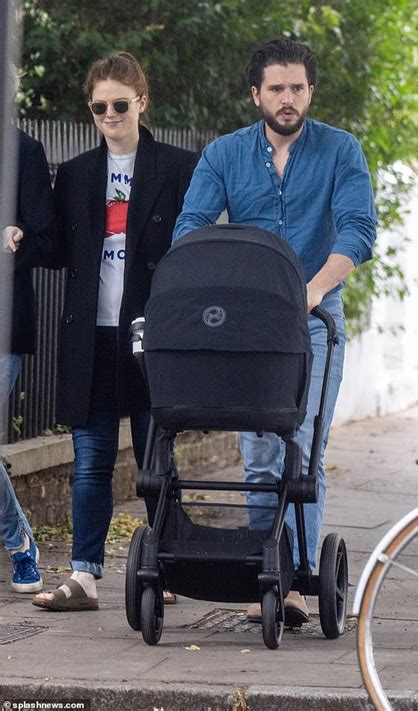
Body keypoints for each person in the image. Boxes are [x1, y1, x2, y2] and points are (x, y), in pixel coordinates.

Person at [173, 38, 377, 624]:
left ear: (310, 90)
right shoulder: (224, 155)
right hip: (247, 325)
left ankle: (297, 579)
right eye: (276, 88)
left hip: (314, 322)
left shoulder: (341, 150)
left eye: (298, 87)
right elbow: (190, 227)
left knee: (301, 448)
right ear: (256, 94)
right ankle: (275, 569)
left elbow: (358, 230)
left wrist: (312, 290)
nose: (288, 99)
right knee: (260, 457)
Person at [33, 52, 197, 611]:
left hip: (154, 336)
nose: (109, 114)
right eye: (99, 106)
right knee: (90, 461)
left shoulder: (178, 167)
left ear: (141, 102)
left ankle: (167, 567)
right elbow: (56, 249)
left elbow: (194, 248)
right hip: (90, 337)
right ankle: (84, 575)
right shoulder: (77, 173)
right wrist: (16, 233)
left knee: (157, 461)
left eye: (119, 104)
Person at [1, 63, 56, 593]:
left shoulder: (27, 153)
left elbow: (50, 241)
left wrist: (16, 239)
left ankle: (19, 544)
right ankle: (19, 541)